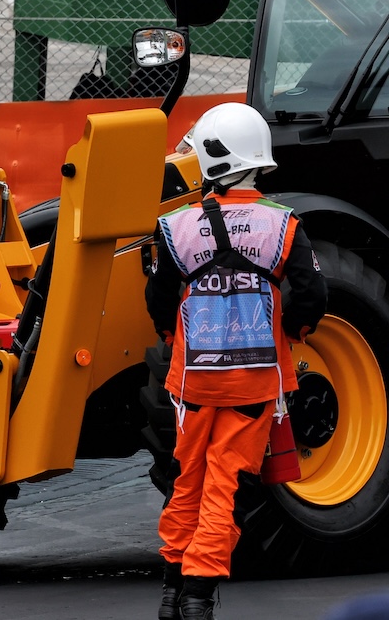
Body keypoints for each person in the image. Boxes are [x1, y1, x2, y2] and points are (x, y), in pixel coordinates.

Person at [147, 102, 325, 620]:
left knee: (188, 478)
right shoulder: (283, 224)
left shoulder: (174, 227)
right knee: (226, 482)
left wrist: (170, 333)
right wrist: (294, 329)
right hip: (252, 382)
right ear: (256, 162)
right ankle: (199, 594)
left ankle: (170, 590)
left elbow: (159, 300)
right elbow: (312, 293)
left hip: (192, 383)